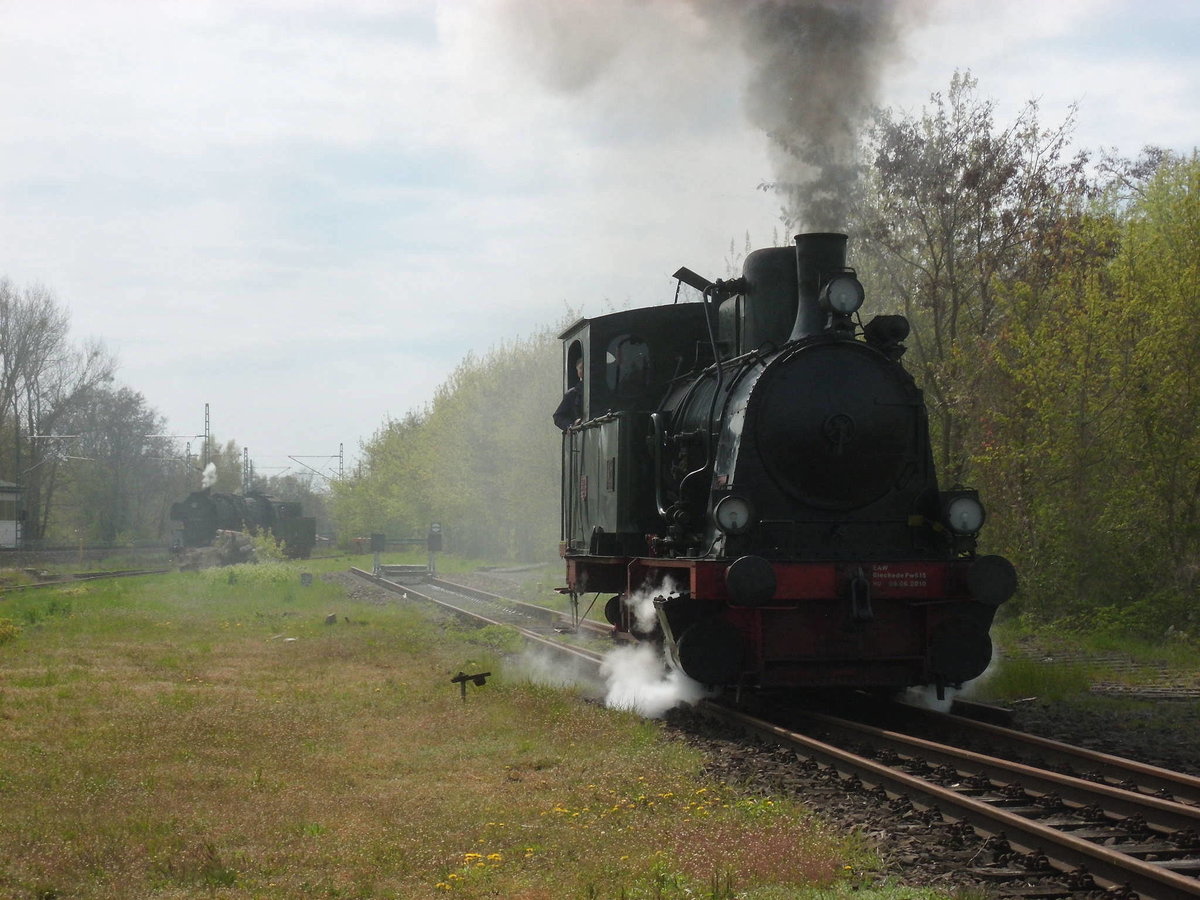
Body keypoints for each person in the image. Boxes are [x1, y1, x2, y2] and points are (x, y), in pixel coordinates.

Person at [553, 358, 584, 431]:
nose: (584, 370)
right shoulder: (572, 394)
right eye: (581, 368)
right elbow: (558, 416)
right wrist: (570, 425)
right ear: (577, 371)